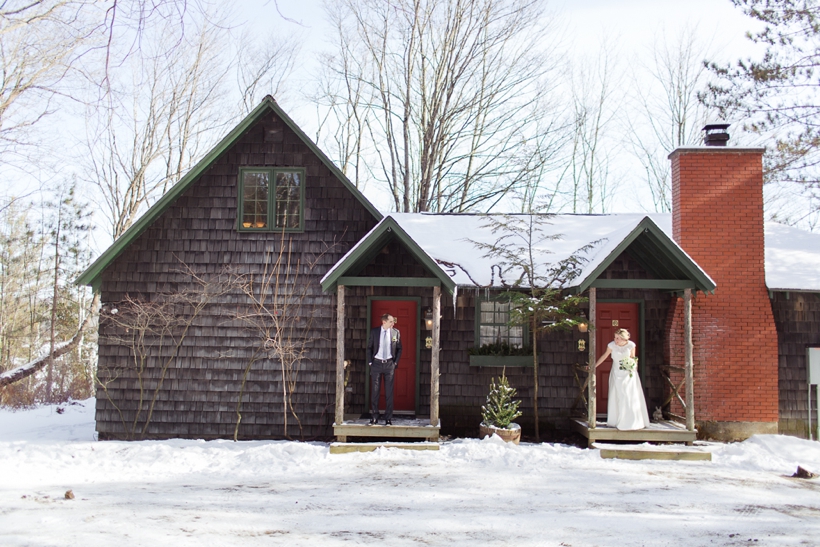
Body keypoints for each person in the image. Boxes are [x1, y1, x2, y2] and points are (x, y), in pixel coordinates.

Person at [592, 328, 650, 430]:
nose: (615, 340)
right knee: (618, 395)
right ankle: (616, 420)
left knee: (628, 395)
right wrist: (594, 366)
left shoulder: (631, 345)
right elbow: (604, 356)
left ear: (623, 338)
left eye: (618, 338)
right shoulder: (611, 346)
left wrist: (633, 366)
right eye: (615, 337)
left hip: (628, 374)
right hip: (616, 373)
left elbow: (633, 358)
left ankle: (631, 421)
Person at [366, 313, 402, 425]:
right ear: (384, 322)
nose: (393, 323)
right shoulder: (375, 332)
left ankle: (388, 417)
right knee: (375, 391)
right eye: (391, 321)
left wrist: (395, 362)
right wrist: (370, 362)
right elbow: (369, 348)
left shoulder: (396, 332)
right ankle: (375, 416)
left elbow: (400, 348)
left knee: (389, 392)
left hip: (389, 364)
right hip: (376, 363)